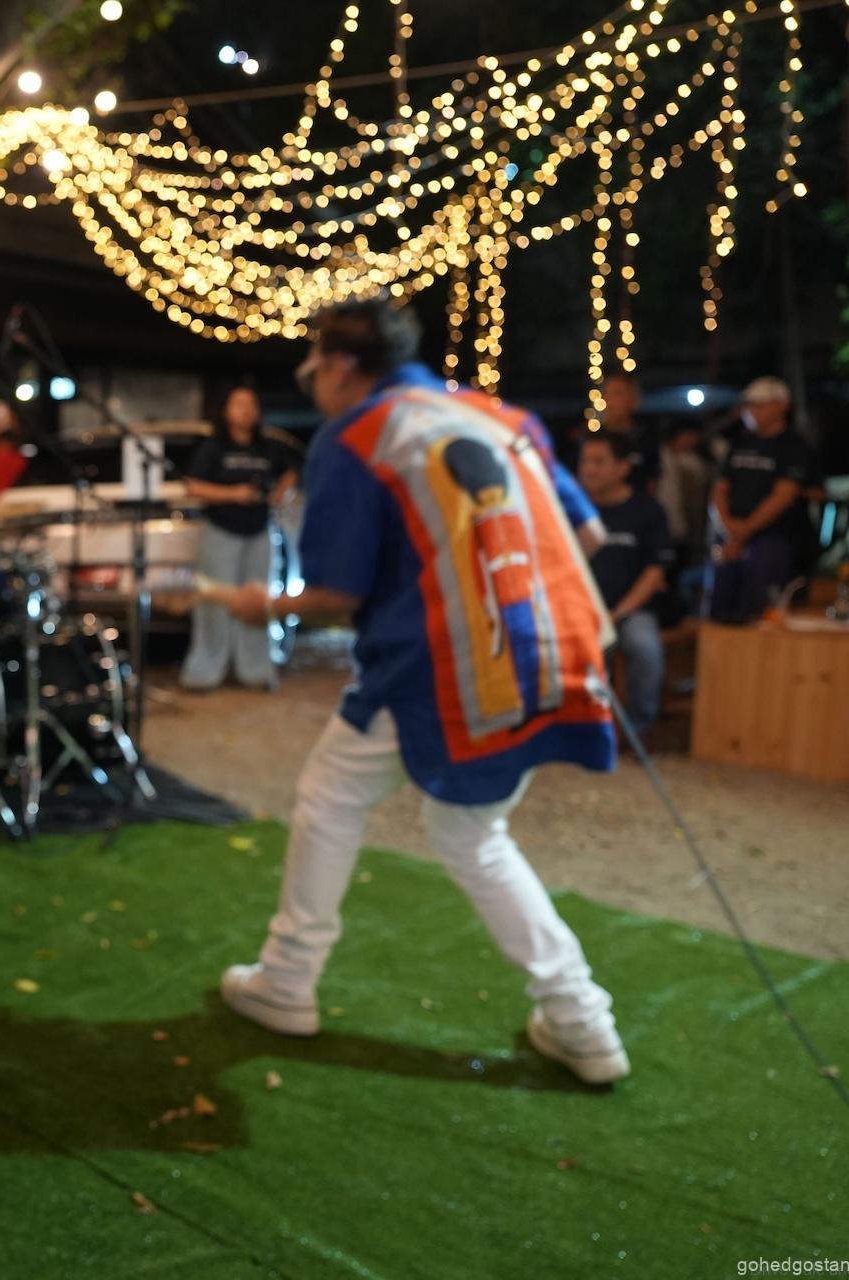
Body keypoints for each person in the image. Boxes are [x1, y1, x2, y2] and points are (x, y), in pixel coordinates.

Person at [215, 296, 630, 1086]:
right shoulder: (502, 415)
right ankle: (583, 1022)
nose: (312, 382)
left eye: (312, 366)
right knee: (471, 832)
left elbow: (335, 593)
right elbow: (588, 533)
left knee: (334, 798)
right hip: (547, 649)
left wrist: (260, 605)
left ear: (342, 364)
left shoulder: (360, 433)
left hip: (442, 667)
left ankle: (288, 980)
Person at [179, 386, 297, 691]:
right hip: (221, 530)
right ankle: (204, 672)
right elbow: (192, 486)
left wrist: (281, 492)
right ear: (226, 411)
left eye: (251, 404)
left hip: (259, 531)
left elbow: (293, 470)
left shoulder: (268, 446)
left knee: (259, 601)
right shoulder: (214, 447)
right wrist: (233, 494)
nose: (246, 410)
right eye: (239, 404)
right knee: (214, 602)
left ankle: (255, 671)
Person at [580, 432, 675, 739]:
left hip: (631, 611)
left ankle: (637, 731)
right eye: (585, 461)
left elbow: (655, 572)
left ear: (623, 467)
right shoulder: (573, 509)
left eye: (599, 462)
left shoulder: (648, 510)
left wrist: (616, 614)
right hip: (580, 611)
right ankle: (585, 729)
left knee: (645, 649)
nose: (589, 470)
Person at [707, 377, 816, 621]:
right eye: (749, 405)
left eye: (760, 405)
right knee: (718, 610)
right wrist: (727, 527)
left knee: (758, 613)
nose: (752, 411)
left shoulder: (794, 446)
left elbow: (784, 495)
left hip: (772, 538)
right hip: (729, 538)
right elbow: (719, 490)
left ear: (781, 406)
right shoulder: (738, 443)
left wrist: (744, 531)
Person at [654, 420, 711, 611]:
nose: (690, 440)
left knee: (682, 573)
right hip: (663, 523)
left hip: (688, 527)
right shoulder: (660, 455)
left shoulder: (695, 461)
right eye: (686, 434)